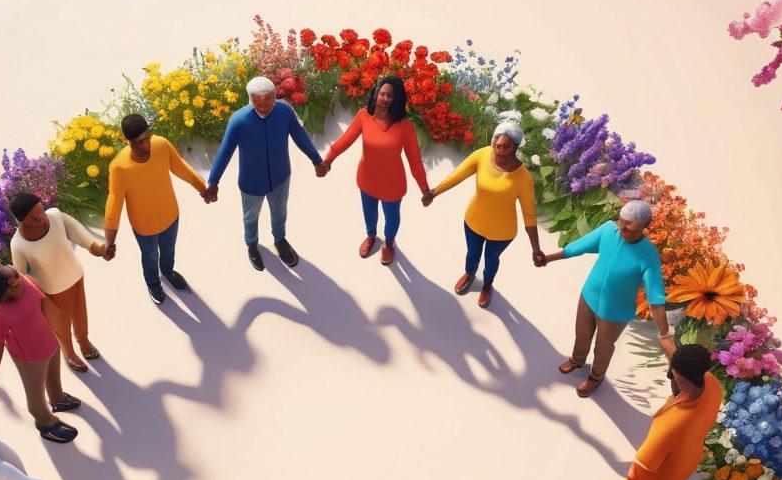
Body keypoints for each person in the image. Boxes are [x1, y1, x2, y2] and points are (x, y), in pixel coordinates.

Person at [537, 199, 674, 397]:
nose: (621, 226)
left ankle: (595, 377)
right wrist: (547, 258)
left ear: (645, 226)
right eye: (621, 220)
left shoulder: (648, 255)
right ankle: (577, 359)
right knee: (582, 334)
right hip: (589, 296)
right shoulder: (609, 230)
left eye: (628, 224)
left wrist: (664, 334)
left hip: (615, 312)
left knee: (603, 347)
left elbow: (655, 297)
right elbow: (578, 247)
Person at [206, 76, 324, 272]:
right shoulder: (238, 120)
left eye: (267, 103)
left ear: (274, 96)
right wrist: (213, 182)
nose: (263, 108)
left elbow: (299, 135)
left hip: (281, 177)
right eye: (258, 104)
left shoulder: (285, 111)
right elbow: (224, 151)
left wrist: (316, 160)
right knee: (250, 217)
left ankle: (280, 239)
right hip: (251, 182)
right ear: (250, 99)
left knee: (280, 212)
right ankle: (252, 244)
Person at [423, 118, 542, 307]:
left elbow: (529, 216)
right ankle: (469, 274)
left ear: (515, 147)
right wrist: (434, 193)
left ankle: (487, 285)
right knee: (472, 253)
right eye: (496, 143)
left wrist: (536, 249)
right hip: (473, 221)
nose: (498, 149)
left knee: (491, 259)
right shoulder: (483, 155)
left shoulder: (523, 178)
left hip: (502, 233)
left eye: (505, 146)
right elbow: (457, 174)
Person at [318, 75, 429, 266]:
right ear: (376, 94)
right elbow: (344, 141)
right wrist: (327, 160)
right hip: (367, 179)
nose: (384, 99)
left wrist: (425, 190)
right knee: (369, 213)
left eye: (390, 96)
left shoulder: (405, 127)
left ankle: (389, 243)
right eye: (382, 94)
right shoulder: (364, 116)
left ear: (397, 99)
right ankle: (371, 236)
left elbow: (416, 163)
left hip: (392, 185)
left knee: (391, 218)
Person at [103, 114, 210, 306]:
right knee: (150, 256)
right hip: (145, 227)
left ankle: (168, 272)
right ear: (129, 143)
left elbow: (181, 168)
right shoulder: (119, 167)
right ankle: (153, 283)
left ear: (150, 133)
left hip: (171, 215)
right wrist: (109, 242)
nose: (145, 145)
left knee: (169, 250)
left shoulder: (161, 145)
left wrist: (203, 188)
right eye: (138, 143)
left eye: (146, 139)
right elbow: (114, 203)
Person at [622, 344, 723, 480]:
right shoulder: (712, 384)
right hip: (690, 455)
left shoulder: (673, 422)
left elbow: (644, 461)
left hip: (664, 470)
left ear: (677, 373)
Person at [8, 191, 110, 373]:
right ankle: (69, 352)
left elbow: (79, 233)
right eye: (35, 217)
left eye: (41, 210)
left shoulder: (55, 216)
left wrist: (98, 248)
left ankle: (84, 341)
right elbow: (21, 275)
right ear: (22, 221)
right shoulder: (18, 245)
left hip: (76, 275)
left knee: (80, 313)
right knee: (60, 325)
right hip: (52, 290)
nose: (42, 218)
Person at [0, 262, 80, 444]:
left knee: (54, 377)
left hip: (50, 341)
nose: (19, 284)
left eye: (18, 278)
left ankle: (57, 398)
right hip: (29, 358)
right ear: (1, 291)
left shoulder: (26, 282)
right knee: (35, 395)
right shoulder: (0, 313)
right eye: (12, 286)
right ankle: (45, 422)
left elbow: (43, 301)